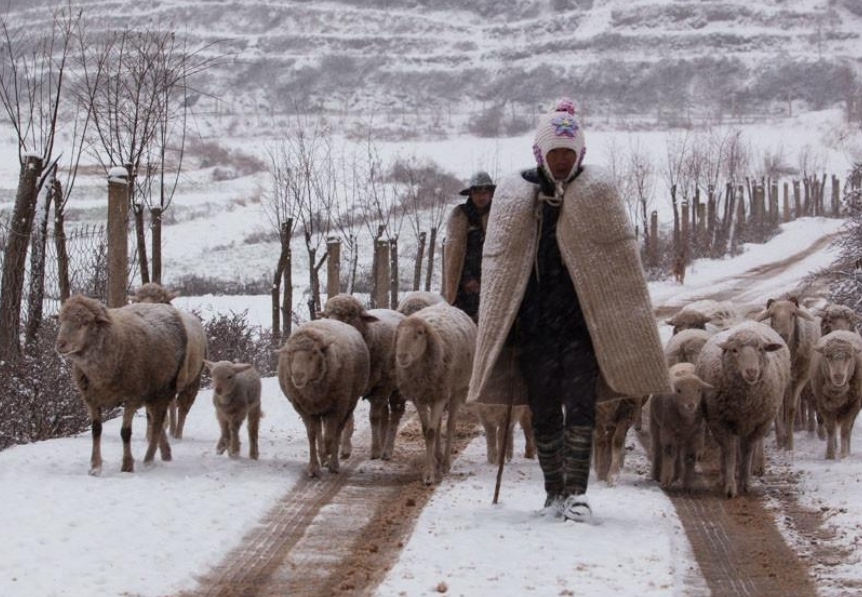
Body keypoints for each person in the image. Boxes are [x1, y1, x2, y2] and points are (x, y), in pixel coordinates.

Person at [466, 98, 671, 522]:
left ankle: (577, 491)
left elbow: (618, 264)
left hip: (582, 327)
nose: (562, 161)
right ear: (540, 153)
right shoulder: (516, 195)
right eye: (555, 153)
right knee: (543, 411)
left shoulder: (598, 193)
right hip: (535, 327)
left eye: (569, 153)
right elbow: (502, 261)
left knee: (580, 408)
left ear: (580, 154)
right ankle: (553, 491)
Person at [443, 170, 496, 322]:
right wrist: (466, 279)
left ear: (491, 194)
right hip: (464, 284)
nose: (482, 196)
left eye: (485, 192)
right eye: (477, 192)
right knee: (463, 321)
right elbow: (454, 253)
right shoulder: (459, 215)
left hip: (490, 278)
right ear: (471, 194)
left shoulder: (497, 214)